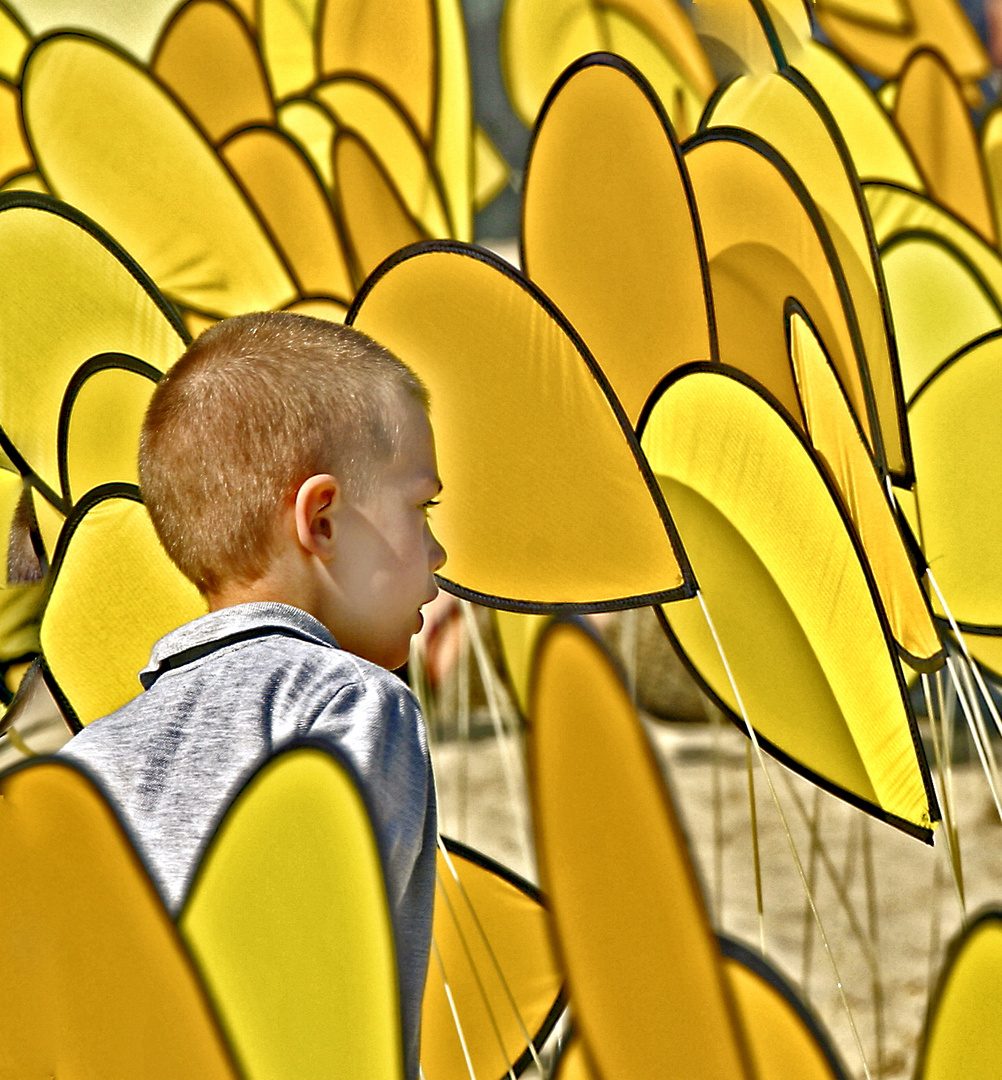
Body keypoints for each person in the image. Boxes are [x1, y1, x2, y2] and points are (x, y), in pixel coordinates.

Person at [59, 311, 445, 1078]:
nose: (439, 551)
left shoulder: (87, 757)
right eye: (421, 508)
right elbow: (317, 986)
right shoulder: (353, 706)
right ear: (323, 520)